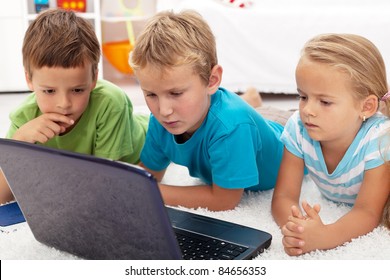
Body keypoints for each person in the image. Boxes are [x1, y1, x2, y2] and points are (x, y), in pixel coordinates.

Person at [129, 10, 285, 211]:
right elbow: (149, 173)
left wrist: (153, 192)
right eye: (151, 95)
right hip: (238, 119)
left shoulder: (232, 128)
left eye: (176, 93)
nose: (164, 110)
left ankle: (251, 102)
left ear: (212, 80)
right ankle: (250, 100)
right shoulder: (161, 120)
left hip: (284, 133)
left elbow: (224, 200)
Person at [0, 9, 148, 204]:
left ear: (94, 78)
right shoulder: (24, 117)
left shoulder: (110, 103)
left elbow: (105, 185)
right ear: (29, 79)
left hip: (146, 139)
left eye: (77, 90)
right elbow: (3, 197)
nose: (64, 104)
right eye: (49, 91)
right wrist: (18, 143)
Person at [271, 33, 390, 256]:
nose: (307, 110)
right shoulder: (299, 126)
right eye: (303, 96)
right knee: (269, 120)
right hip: (278, 123)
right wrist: (298, 229)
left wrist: (325, 235)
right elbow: (283, 197)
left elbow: (367, 212)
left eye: (324, 102)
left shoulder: (380, 139)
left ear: (366, 107)